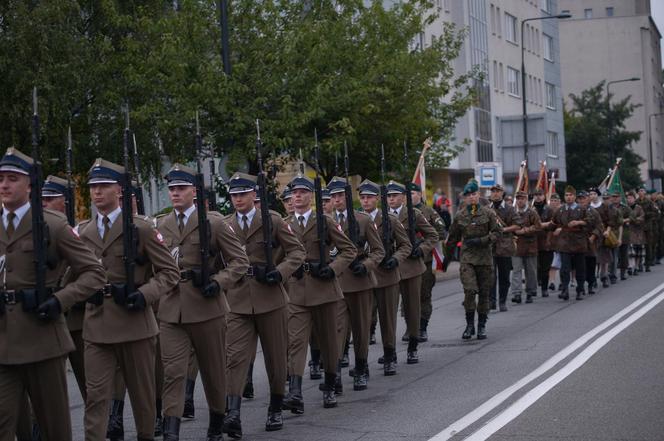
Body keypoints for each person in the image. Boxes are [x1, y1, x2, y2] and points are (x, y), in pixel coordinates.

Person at [0, 148, 105, 441]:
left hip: (42, 340)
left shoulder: (53, 225)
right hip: (4, 343)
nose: (4, 185)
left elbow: (94, 274)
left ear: (29, 185)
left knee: (54, 428)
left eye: (12, 179)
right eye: (1, 179)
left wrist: (60, 299)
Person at [78, 158, 180, 441]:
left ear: (119, 190)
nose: (97, 192)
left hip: (135, 325)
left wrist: (144, 294)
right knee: (96, 397)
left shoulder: (141, 229)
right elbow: (72, 275)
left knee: (142, 397)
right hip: (97, 325)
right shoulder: (84, 232)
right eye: (93, 187)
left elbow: (169, 273)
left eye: (104, 186)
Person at [221, 172, 305, 436]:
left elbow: (297, 252)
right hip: (237, 300)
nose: (237, 200)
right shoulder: (224, 225)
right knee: (234, 358)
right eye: (234, 195)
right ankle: (233, 413)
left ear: (254, 195)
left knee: (276, 358)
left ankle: (276, 409)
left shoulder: (273, 220)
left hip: (271, 299)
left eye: (242, 194)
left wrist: (279, 272)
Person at [283, 174, 356, 411]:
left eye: (302, 192)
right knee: (296, 342)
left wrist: (332, 269)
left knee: (328, 342)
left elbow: (348, 250)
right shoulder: (285, 224)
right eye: (294, 193)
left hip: (324, 289)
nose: (297, 196)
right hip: (297, 291)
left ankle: (330, 384)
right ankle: (295, 391)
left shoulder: (324, 221)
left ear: (311, 196)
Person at [328, 176, 384, 390]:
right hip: (338, 283)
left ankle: (361, 368)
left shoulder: (362, 220)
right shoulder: (325, 221)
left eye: (340, 195)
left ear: (347, 196)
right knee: (338, 330)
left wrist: (367, 265)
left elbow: (378, 251)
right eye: (333, 196)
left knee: (361, 330)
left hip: (360, 282)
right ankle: (336, 374)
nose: (337, 200)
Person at [357, 179, 411, 375]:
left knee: (388, 319)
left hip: (387, 276)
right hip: (364, 276)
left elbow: (406, 245)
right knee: (363, 320)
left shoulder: (390, 219)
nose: (365, 201)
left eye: (369, 198)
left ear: (377, 199)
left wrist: (395, 259)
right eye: (362, 198)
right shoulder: (357, 220)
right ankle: (361, 360)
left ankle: (390, 355)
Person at [386, 181, 438, 363]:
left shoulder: (413, 214)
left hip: (411, 266)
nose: (391, 199)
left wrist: (422, 249)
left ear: (402, 197)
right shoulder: (381, 217)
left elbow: (433, 235)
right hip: (389, 267)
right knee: (388, 310)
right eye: (388, 196)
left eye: (394, 196)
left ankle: (413, 345)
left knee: (412, 307)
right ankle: (389, 351)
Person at [445, 179, 501, 340]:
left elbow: (498, 232)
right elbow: (452, 239)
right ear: (464, 198)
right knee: (469, 291)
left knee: (484, 294)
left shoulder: (489, 213)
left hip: (484, 259)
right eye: (468, 195)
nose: (471, 197)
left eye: (474, 194)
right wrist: (446, 260)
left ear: (479, 195)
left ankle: (481, 325)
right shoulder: (460, 215)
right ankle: (469, 325)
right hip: (467, 259)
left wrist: (482, 240)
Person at [410, 183, 445, 341]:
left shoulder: (429, 212)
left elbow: (441, 232)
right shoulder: (402, 212)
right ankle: (411, 327)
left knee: (424, 295)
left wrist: (423, 241)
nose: (409, 197)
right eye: (407, 194)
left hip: (425, 259)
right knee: (408, 297)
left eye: (412, 193)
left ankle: (423, 327)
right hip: (407, 261)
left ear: (419, 194)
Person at [552, 186, 590, 301]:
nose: (568, 197)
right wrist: (546, 226)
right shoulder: (560, 210)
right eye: (566, 195)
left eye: (571, 195)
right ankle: (565, 289)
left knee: (580, 268)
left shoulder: (581, 209)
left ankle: (580, 289)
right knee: (564, 268)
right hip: (564, 242)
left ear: (574, 197)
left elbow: (590, 222)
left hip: (578, 242)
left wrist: (579, 222)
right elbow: (554, 222)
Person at [488, 184, 517, 311]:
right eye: (493, 191)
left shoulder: (509, 209)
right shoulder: (486, 209)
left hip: (505, 246)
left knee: (504, 276)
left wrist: (503, 229)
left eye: (497, 191)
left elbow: (517, 225)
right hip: (489, 246)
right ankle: (491, 301)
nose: (495, 193)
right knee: (490, 276)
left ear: (502, 193)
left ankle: (502, 301)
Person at [510, 191, 541, 304]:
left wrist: (525, 230)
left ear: (526, 200)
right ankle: (516, 293)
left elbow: (538, 227)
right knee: (516, 270)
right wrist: (513, 231)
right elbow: (508, 226)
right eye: (518, 198)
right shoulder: (512, 212)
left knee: (530, 271)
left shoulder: (532, 213)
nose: (520, 200)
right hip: (516, 246)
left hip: (530, 245)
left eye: (522, 198)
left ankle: (530, 292)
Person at [578, 191, 604, 295]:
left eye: (583, 198)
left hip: (590, 242)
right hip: (578, 242)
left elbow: (599, 226)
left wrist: (593, 236)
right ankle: (581, 286)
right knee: (580, 265)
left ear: (588, 199)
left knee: (591, 264)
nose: (581, 200)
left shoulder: (593, 211)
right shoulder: (575, 211)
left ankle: (590, 284)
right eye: (579, 199)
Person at [532, 188, 556, 297]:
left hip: (546, 240)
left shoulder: (549, 209)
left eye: (540, 194)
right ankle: (536, 284)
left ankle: (544, 288)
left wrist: (549, 239)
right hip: (533, 241)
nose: (538, 196)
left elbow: (553, 225)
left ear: (544, 196)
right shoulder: (530, 209)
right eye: (536, 194)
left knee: (546, 266)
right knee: (535, 266)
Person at [626, 191, 646, 274]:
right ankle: (631, 266)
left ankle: (637, 267)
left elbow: (642, 218)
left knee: (638, 251)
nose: (629, 200)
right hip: (629, 231)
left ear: (634, 199)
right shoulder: (625, 207)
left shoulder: (639, 208)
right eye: (628, 198)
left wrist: (633, 220)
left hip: (638, 231)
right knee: (631, 252)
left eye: (630, 198)